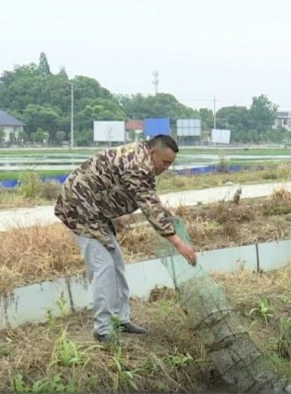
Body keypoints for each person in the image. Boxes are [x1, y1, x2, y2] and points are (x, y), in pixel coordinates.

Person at [54, 134, 197, 342]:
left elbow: (148, 195)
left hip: (95, 210)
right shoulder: (138, 165)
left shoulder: (143, 158)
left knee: (117, 263)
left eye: (170, 164)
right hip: (79, 208)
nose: (166, 167)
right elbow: (149, 207)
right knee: (103, 267)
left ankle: (121, 319)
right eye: (165, 162)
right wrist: (179, 244)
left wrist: (163, 208)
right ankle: (102, 329)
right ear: (152, 153)